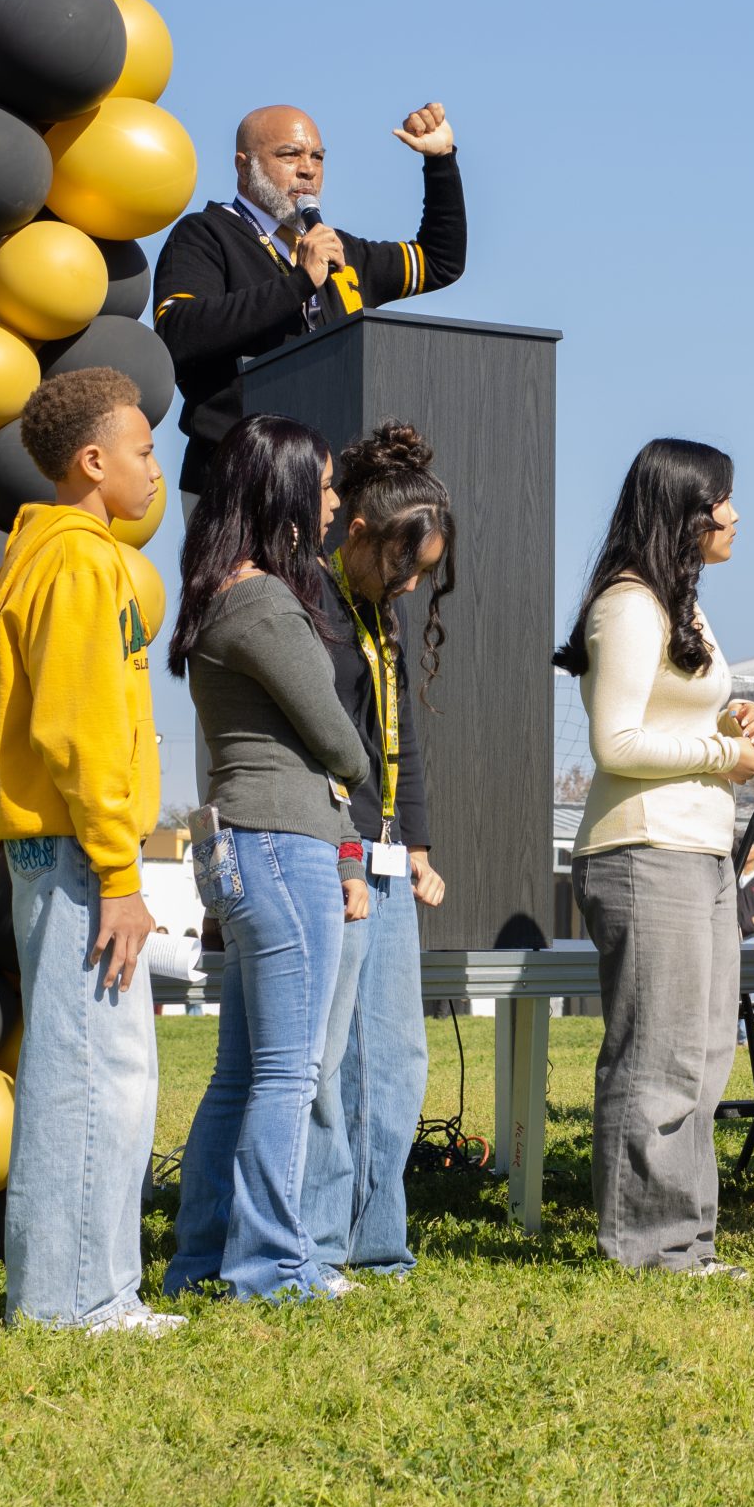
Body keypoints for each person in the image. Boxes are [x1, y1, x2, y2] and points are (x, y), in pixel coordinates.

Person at [0, 367, 169, 1332]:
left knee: (75, 1067)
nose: (155, 467)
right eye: (141, 450)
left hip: (57, 852)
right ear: (92, 462)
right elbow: (81, 732)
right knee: (101, 1075)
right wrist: (122, 876)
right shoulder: (85, 563)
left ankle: (70, 1293)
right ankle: (83, 1301)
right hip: (85, 857)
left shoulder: (41, 554)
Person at [164, 416, 370, 1303]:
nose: (333, 505)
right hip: (285, 848)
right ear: (284, 495)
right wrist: (354, 759)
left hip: (240, 847)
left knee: (243, 1069)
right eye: (323, 487)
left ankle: (201, 1257)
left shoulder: (220, 593)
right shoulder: (269, 603)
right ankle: (272, 1267)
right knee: (292, 1069)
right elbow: (342, 741)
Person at [557, 439, 754, 1276]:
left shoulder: (682, 602)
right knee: (659, 1056)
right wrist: (721, 756)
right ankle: (646, 1246)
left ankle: (685, 1239)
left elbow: (670, 721)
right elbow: (616, 744)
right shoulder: (628, 603)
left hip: (699, 848)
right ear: (686, 508)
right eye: (724, 499)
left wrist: (732, 725)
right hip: (643, 849)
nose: (735, 514)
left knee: (706, 1051)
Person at [304, 423, 457, 1283]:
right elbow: (330, 750)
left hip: (392, 860)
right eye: (400, 564)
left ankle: (377, 1241)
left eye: (422, 572)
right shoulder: (313, 605)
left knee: (396, 1058)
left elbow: (404, 745)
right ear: (355, 532)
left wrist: (419, 844)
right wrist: (349, 851)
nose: (407, 583)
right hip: (337, 856)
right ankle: (321, 1243)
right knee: (329, 1063)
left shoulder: (381, 615)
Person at [154, 102, 466, 502]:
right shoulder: (205, 235)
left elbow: (440, 262)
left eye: (317, 157)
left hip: (327, 489)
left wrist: (439, 162)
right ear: (243, 165)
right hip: (236, 482)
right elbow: (180, 331)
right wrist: (300, 282)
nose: (308, 168)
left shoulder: (336, 249)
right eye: (290, 155)